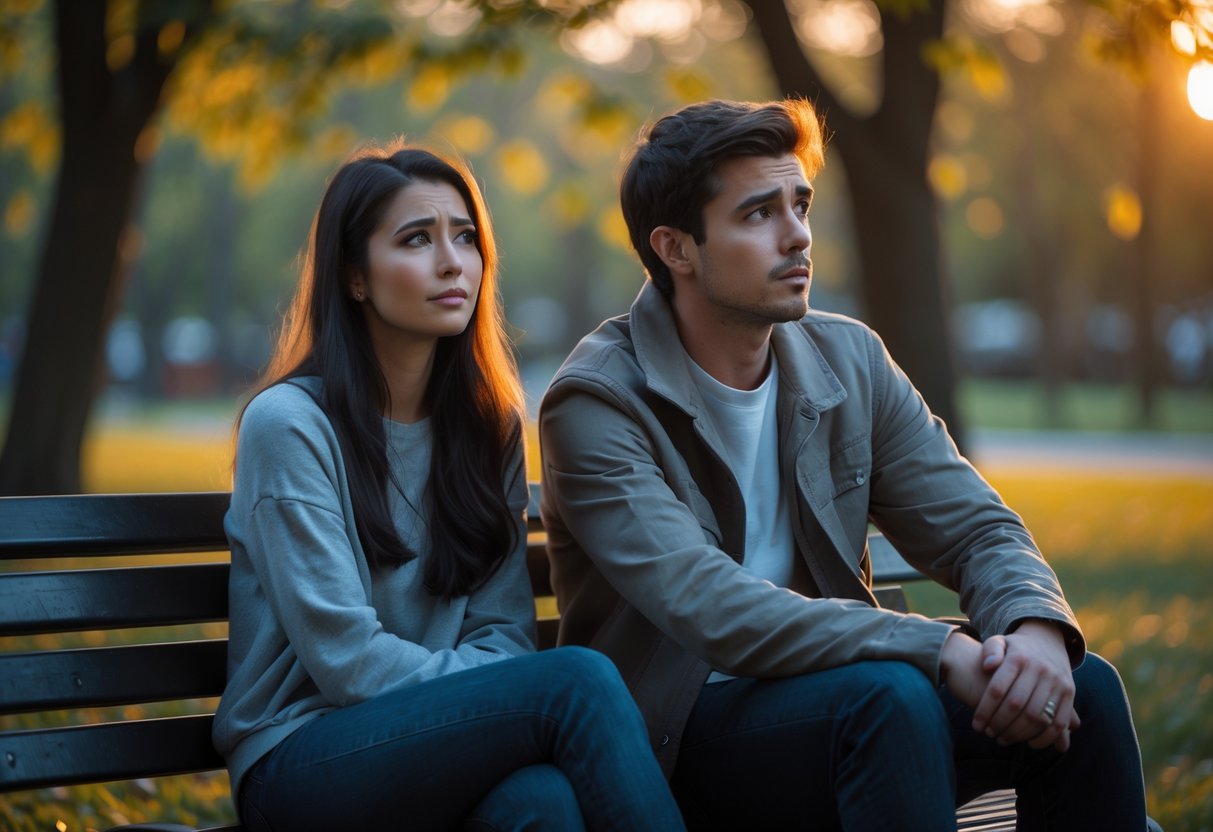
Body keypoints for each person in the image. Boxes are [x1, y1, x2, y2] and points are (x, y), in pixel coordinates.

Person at [538, 99, 1150, 830]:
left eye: (799, 204)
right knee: (886, 699)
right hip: (678, 738)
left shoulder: (848, 360)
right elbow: (708, 602)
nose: (796, 235)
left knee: (1082, 689)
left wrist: (1033, 632)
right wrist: (936, 646)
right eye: (757, 214)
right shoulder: (597, 401)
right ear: (676, 249)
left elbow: (976, 529)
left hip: (861, 704)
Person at [213, 143, 686, 832]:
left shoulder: (484, 428)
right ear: (355, 278)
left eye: (464, 237)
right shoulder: (290, 426)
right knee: (576, 683)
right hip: (302, 762)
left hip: (435, 745)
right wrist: (495, 696)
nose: (451, 262)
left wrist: (489, 699)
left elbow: (504, 635)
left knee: (541, 804)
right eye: (416, 239)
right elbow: (346, 661)